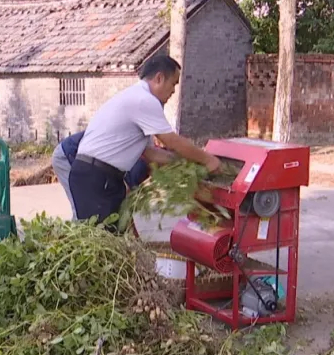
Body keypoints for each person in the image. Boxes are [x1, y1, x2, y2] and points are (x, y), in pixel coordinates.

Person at [68, 54, 221, 227]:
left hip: (99, 176)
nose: (173, 91)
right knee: (101, 236)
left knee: (114, 233)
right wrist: (208, 160)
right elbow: (172, 141)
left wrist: (188, 163)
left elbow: (151, 154)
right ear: (159, 78)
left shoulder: (136, 97)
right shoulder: (144, 100)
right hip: (95, 177)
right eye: (173, 84)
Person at [51, 131, 149, 218]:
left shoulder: (139, 146)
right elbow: (126, 193)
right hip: (67, 156)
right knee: (81, 211)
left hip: (85, 159)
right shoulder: (140, 163)